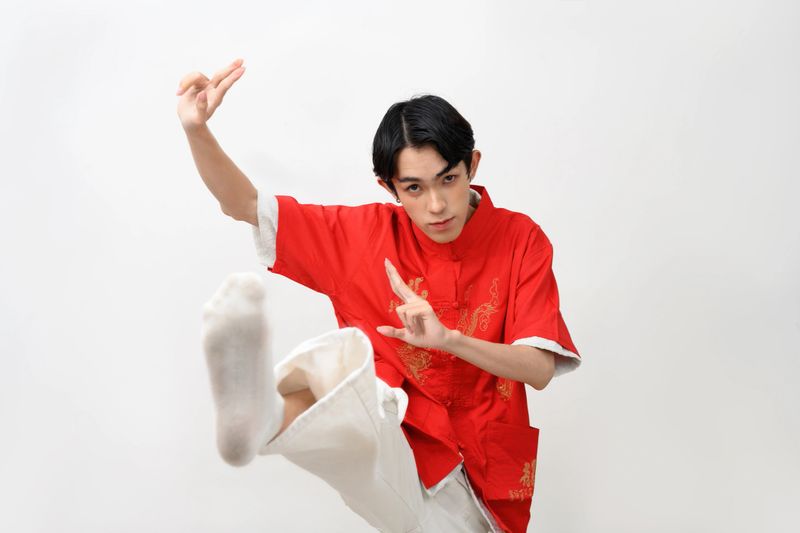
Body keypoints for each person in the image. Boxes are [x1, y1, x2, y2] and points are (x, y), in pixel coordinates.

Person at [177, 58, 582, 533]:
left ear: (472, 164)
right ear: (389, 187)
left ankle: (268, 416)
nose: (435, 205)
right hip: (400, 443)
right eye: (414, 188)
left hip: (483, 485)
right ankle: (264, 416)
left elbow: (537, 369)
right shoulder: (361, 236)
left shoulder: (520, 239)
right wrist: (196, 130)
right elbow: (245, 205)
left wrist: (449, 339)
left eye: (448, 179)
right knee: (358, 380)